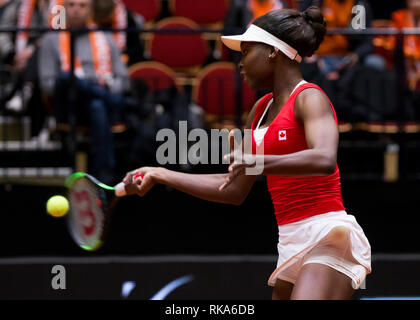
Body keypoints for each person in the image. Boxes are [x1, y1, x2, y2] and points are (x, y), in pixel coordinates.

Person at [120, 7, 371, 300]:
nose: (239, 64)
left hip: (327, 234)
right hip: (290, 240)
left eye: (247, 52)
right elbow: (233, 189)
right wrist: (160, 174)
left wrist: (260, 161)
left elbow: (324, 159)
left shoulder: (309, 97)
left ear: (272, 52)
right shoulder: (259, 111)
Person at [38, 0, 129, 184]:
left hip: (99, 107)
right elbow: (47, 84)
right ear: (64, 10)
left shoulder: (106, 38)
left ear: (91, 10)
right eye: (71, 5)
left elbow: (123, 80)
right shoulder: (51, 39)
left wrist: (108, 84)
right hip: (68, 105)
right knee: (67, 78)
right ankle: (105, 174)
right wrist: (83, 83)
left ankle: (101, 175)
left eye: (82, 5)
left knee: (96, 105)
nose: (76, 10)